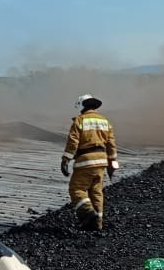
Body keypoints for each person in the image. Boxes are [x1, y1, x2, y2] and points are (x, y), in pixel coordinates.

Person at [61, 94, 118, 230]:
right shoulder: (105, 121)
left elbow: (73, 142)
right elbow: (111, 144)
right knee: (96, 192)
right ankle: (97, 223)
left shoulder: (80, 120)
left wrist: (65, 159)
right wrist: (112, 162)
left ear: (82, 105)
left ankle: (88, 212)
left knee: (77, 189)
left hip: (85, 160)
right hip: (101, 161)